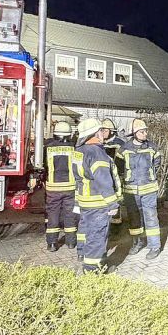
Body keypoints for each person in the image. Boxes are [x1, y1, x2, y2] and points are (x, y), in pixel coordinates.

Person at [72, 117, 120, 272]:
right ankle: (92, 270)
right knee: (97, 237)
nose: (103, 133)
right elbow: (104, 181)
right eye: (101, 130)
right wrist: (113, 203)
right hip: (98, 203)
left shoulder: (79, 151)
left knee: (88, 233)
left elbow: (78, 178)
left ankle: (87, 258)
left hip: (85, 201)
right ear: (95, 133)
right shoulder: (97, 153)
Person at [118, 118, 163, 259]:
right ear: (134, 133)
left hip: (149, 189)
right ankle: (137, 243)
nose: (145, 134)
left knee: (151, 217)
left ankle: (154, 246)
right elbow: (118, 168)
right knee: (134, 219)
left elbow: (157, 164)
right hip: (131, 191)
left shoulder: (152, 147)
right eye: (141, 132)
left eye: (145, 131)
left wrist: (149, 176)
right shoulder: (124, 149)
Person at [43, 121, 78, 252]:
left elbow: (43, 166)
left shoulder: (47, 147)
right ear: (69, 134)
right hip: (70, 187)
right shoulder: (74, 147)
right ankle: (71, 242)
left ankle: (52, 243)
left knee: (53, 214)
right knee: (70, 214)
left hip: (53, 187)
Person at [100, 117, 125, 224]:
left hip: (115, 176)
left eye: (105, 130)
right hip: (101, 176)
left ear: (111, 132)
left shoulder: (119, 144)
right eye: (101, 130)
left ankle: (115, 221)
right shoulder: (99, 142)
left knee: (115, 199)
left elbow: (122, 162)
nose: (102, 133)